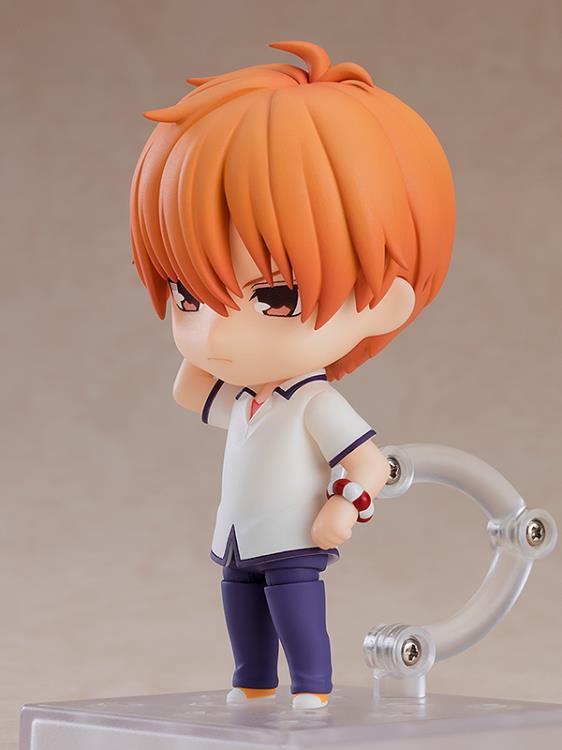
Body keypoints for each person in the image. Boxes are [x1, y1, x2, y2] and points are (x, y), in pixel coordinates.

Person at [129, 40, 455, 709]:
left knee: (295, 607)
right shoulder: (250, 400)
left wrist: (344, 506)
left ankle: (312, 686)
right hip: (238, 535)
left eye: (273, 298)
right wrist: (205, 335)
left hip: (292, 535)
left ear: (383, 303)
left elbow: (368, 464)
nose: (216, 328)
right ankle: (253, 680)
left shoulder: (314, 402)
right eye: (188, 292)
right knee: (239, 602)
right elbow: (188, 390)